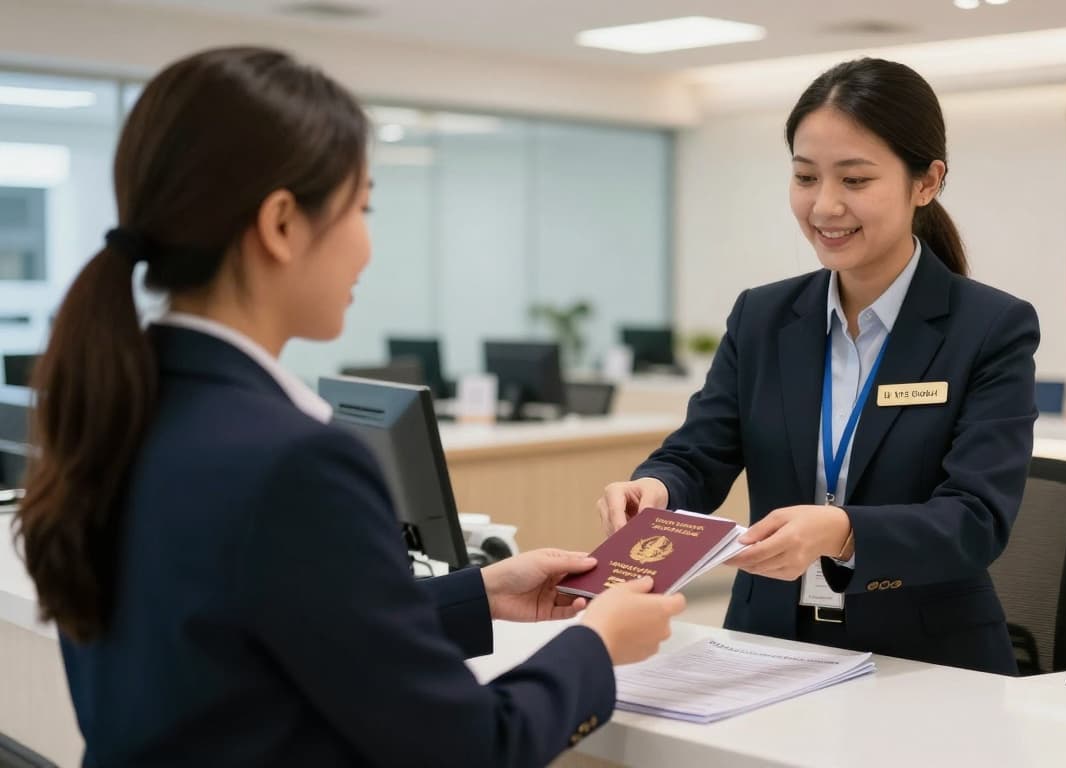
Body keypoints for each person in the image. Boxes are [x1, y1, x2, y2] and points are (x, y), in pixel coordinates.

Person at [11, 47, 684, 767]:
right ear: (280, 224)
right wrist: (597, 645)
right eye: (361, 208)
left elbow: (242, 627)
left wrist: (474, 594)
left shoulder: (118, 408)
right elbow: (471, 749)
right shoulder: (292, 462)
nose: (367, 245)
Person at [597, 58, 1038, 676]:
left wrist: (842, 531)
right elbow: (700, 451)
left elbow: (974, 520)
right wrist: (659, 488)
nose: (825, 206)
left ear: (927, 182)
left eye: (855, 180)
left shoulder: (989, 328)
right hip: (766, 643)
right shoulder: (763, 317)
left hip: (926, 658)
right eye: (806, 177)